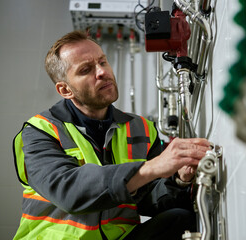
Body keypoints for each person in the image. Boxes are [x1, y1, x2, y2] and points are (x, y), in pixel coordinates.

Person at [12, 30, 211, 240]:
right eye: (86, 69)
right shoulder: (39, 132)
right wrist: (153, 167)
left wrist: (179, 179)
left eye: (102, 62)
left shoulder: (141, 128)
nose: (101, 72)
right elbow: (69, 192)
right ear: (65, 90)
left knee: (181, 220)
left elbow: (149, 198)